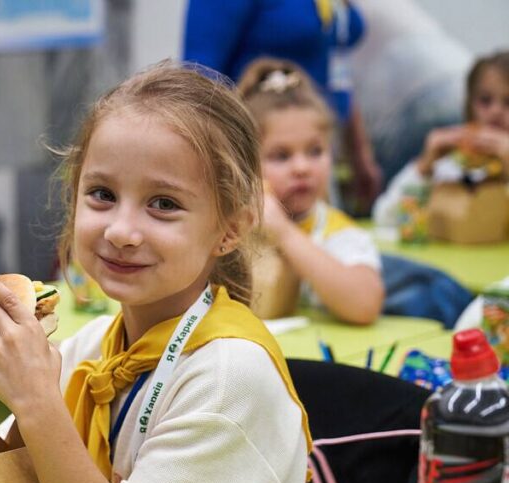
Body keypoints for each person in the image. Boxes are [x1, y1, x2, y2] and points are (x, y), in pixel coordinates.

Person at [0, 62, 312, 483]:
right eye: (102, 194)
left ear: (231, 227)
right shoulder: (92, 349)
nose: (121, 230)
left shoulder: (229, 378)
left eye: (164, 204)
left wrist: (38, 401)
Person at [184, 0, 382, 213]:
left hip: (318, 151)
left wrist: (359, 153)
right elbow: (200, 84)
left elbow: (338, 67)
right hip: (257, 161)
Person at [237, 58, 384, 325]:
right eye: (281, 156)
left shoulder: (338, 233)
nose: (302, 168)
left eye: (315, 151)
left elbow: (366, 305)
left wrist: (283, 232)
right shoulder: (227, 229)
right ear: (245, 163)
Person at [373, 50, 509, 228]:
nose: (495, 112)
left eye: (508, 102)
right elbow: (384, 218)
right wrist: (424, 167)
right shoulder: (451, 166)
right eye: (485, 100)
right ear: (469, 105)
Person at [347, 0, 472, 184]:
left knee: (403, 195)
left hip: (409, 107)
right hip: (462, 81)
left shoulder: (326, 16)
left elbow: (340, 91)